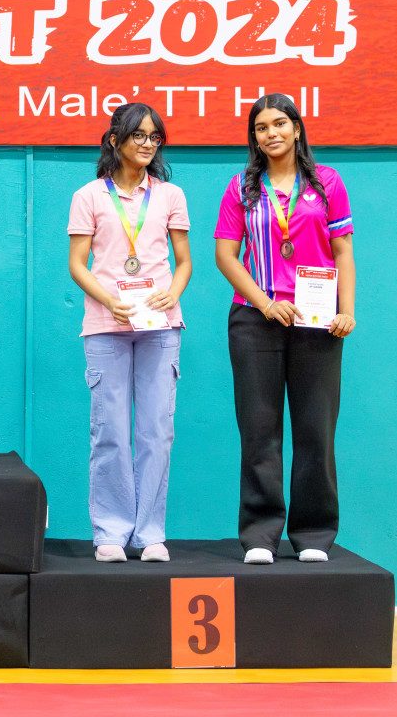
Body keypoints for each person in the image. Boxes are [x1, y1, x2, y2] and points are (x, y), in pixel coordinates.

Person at [214, 94, 356, 564]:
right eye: (260, 127)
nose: (271, 133)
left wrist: (346, 310)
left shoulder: (327, 182)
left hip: (318, 322)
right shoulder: (241, 187)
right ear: (253, 137)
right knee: (259, 431)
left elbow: (342, 253)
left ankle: (313, 535)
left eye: (280, 123)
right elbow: (226, 257)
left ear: (297, 128)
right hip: (256, 320)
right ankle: (260, 535)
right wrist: (264, 303)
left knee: (316, 431)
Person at [67, 104, 192, 562]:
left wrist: (171, 293)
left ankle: (150, 533)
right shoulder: (88, 196)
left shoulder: (170, 195)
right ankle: (111, 534)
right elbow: (78, 264)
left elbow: (184, 261)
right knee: (111, 433)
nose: (146, 144)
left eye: (154, 137)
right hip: (106, 325)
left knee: (157, 432)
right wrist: (108, 299)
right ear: (114, 140)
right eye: (137, 135)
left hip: (160, 326)